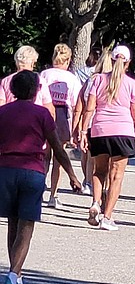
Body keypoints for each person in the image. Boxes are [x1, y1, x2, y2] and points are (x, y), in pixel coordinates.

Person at [0, 71, 81, 284]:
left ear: (12, 90)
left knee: (13, 224)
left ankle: (17, 278)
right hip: (32, 170)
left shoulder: (3, 112)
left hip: (6, 169)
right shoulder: (42, 113)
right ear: (36, 90)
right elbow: (57, 147)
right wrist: (72, 176)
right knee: (26, 225)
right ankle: (13, 276)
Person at [80, 45, 135, 230]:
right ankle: (107, 216)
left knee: (99, 171)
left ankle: (95, 202)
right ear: (128, 62)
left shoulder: (98, 80)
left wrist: (84, 131)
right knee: (116, 176)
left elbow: (90, 107)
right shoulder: (131, 83)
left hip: (100, 130)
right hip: (123, 131)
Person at [40, 44, 83, 208]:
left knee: (44, 156)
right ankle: (53, 195)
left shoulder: (44, 74)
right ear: (68, 60)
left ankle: (39, 190)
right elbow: (75, 103)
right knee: (59, 156)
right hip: (62, 115)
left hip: (45, 112)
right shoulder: (71, 78)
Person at [72, 50, 112, 197]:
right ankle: (104, 185)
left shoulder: (91, 80)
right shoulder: (116, 81)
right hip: (108, 122)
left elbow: (80, 105)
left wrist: (77, 126)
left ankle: (88, 182)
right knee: (106, 158)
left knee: (89, 156)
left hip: (91, 121)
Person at [0, 45, 55, 118]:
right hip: (35, 120)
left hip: (12, 120)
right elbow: (49, 108)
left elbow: (1, 105)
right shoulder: (40, 81)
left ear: (16, 62)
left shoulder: (6, 81)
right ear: (32, 63)